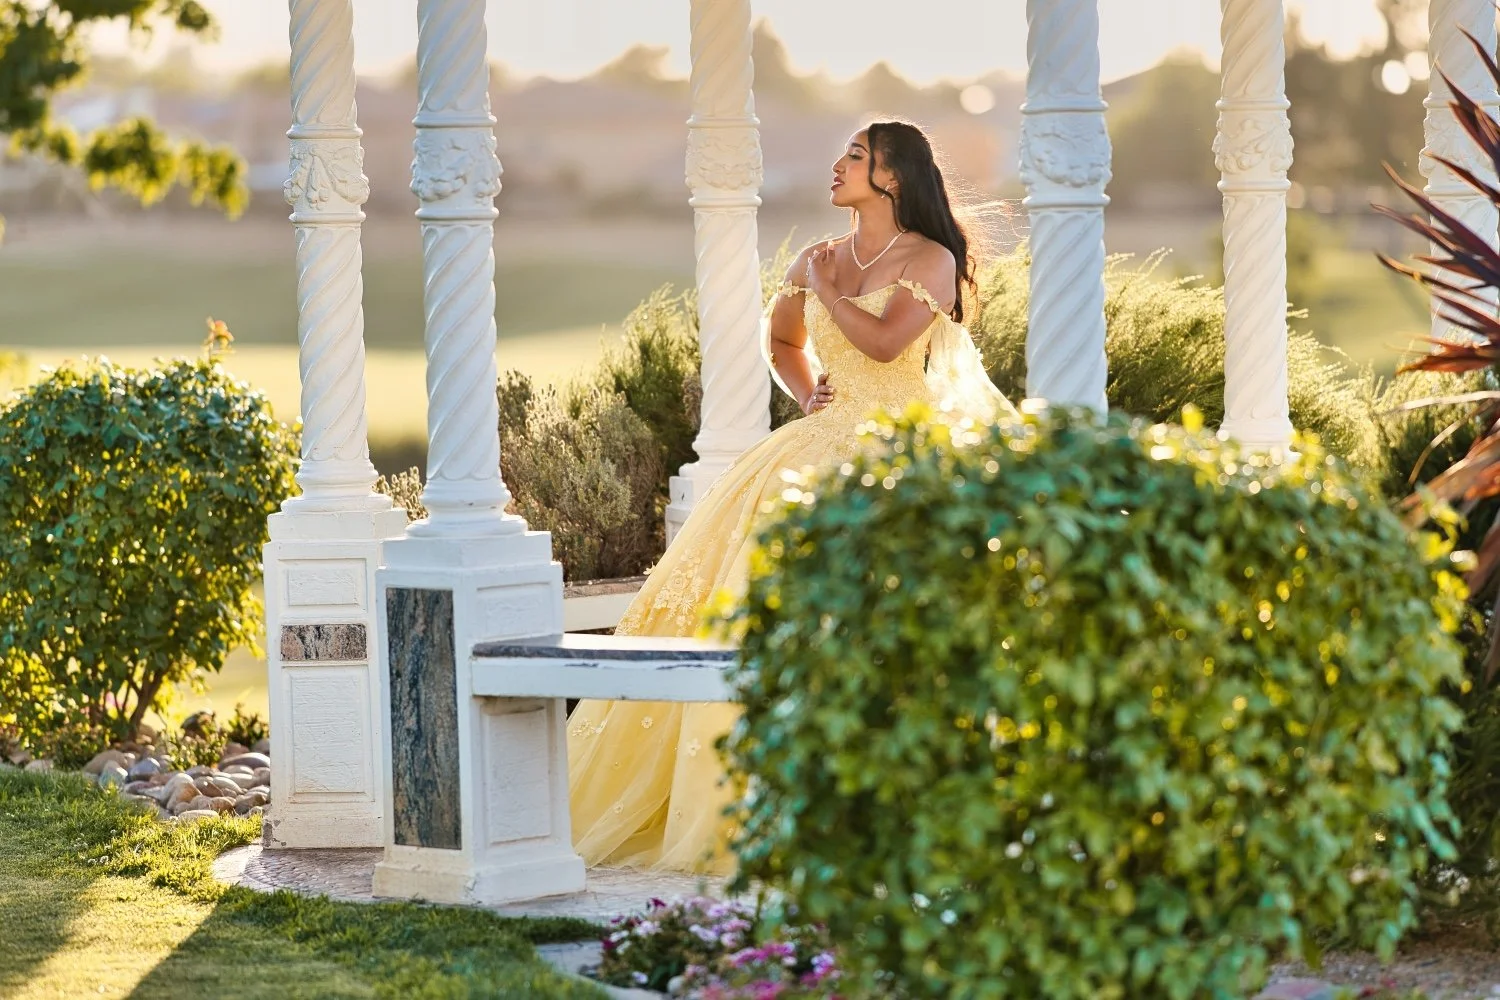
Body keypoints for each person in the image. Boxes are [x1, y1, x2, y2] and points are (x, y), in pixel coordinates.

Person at [566, 119, 1016, 874]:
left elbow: (882, 345)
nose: (837, 166)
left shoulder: (931, 259)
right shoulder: (819, 257)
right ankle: (745, 808)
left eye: (855, 156)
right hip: (808, 454)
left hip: (899, 463)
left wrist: (832, 293)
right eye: (842, 152)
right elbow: (782, 343)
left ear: (893, 177)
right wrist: (807, 396)